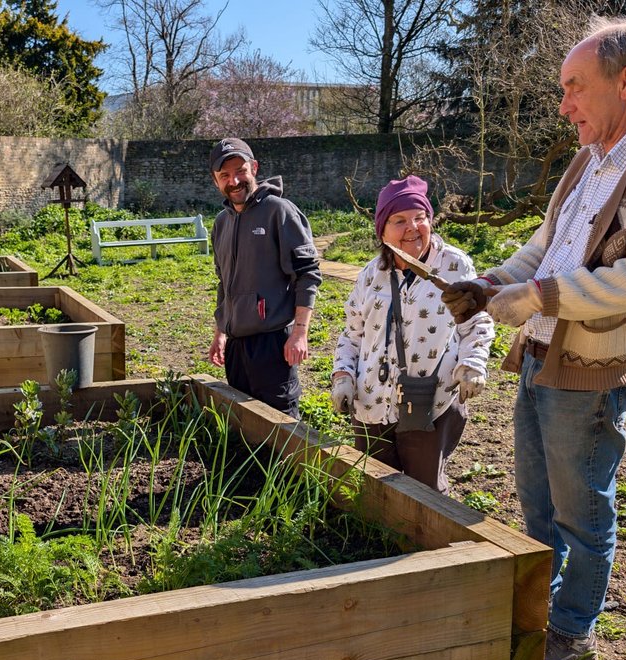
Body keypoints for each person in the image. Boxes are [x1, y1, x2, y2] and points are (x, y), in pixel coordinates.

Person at [442, 11, 626, 660]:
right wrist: (488, 285)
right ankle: (541, 611)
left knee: (582, 513)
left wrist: (538, 297)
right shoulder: (586, 160)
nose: (563, 104)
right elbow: (545, 249)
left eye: (574, 87)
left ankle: (572, 633)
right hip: (539, 355)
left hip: (594, 364)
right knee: (538, 505)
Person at [332, 175, 494, 494]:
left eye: (420, 218)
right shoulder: (371, 274)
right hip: (371, 401)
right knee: (375, 488)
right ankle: (385, 545)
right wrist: (342, 376)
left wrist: (473, 364)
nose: (412, 228)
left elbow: (478, 322)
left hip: (430, 400)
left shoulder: (454, 266)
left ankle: (431, 545)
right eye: (400, 220)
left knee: (426, 492)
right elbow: (352, 334)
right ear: (382, 229)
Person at [207, 138, 323, 418]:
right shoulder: (221, 223)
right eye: (225, 175)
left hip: (273, 343)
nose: (234, 180)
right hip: (237, 346)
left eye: (240, 170)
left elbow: (307, 273)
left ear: (254, 168)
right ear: (216, 181)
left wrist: (300, 332)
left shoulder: (278, 212)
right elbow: (225, 283)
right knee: (245, 424)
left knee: (280, 426)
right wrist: (221, 332)